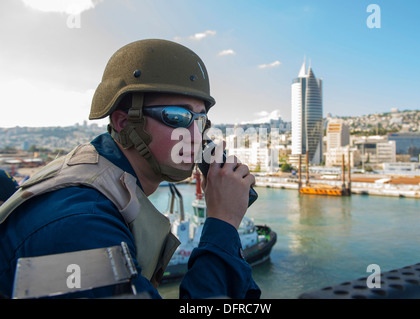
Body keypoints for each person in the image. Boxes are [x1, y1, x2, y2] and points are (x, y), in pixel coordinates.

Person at [0, 39, 260, 299]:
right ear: (124, 122)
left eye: (200, 119)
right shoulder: (82, 224)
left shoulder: (102, 182)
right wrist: (223, 224)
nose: (194, 134)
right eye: (177, 117)